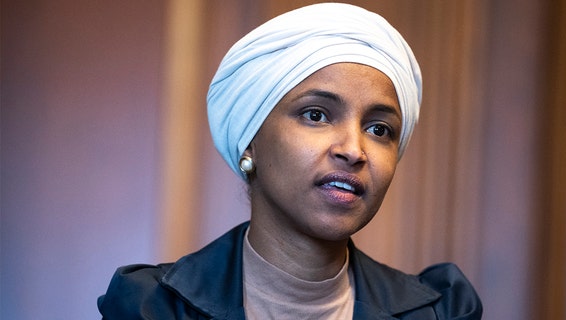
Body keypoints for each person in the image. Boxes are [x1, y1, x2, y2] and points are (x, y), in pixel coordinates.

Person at [98, 3, 482, 319]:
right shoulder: (152, 308)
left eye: (379, 129)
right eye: (316, 115)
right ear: (250, 141)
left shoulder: (442, 311)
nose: (353, 149)